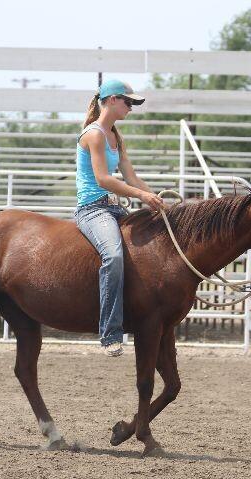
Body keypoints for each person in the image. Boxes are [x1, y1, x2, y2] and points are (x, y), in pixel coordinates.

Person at [74, 79, 164, 357]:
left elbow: (131, 176)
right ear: (112, 100)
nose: (132, 107)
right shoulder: (95, 135)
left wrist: (159, 202)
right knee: (113, 256)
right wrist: (142, 196)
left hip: (112, 208)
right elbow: (103, 179)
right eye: (129, 102)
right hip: (92, 209)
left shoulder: (115, 135)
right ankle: (110, 333)